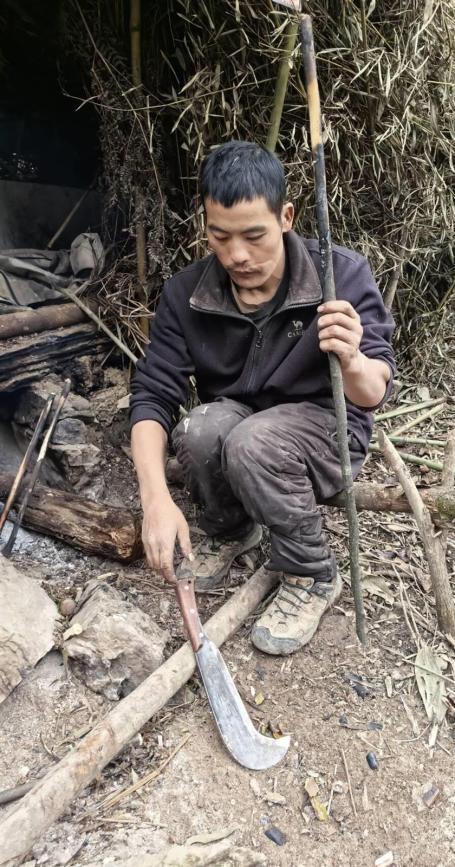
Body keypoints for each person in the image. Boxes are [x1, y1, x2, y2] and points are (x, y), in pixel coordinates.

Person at [129, 140, 396, 655]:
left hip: (326, 429)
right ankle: (233, 528)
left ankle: (311, 572)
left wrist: (353, 358)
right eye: (219, 235)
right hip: (242, 424)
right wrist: (155, 500)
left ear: (286, 216)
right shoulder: (187, 293)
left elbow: (371, 393)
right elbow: (153, 394)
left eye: (254, 235)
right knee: (200, 429)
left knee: (253, 443)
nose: (237, 255)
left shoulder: (339, 275)